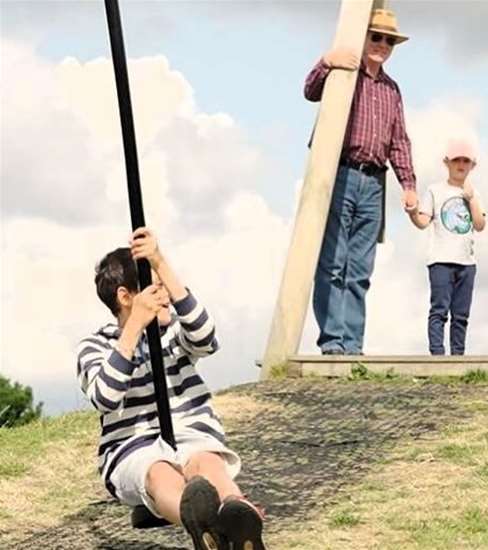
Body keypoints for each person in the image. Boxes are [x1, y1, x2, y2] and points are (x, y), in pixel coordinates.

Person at [76, 228, 264, 550]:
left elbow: (205, 338)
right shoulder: (96, 347)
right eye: (156, 288)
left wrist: (159, 262)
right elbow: (105, 396)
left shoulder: (173, 332)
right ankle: (205, 526)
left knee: (207, 463)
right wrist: (135, 326)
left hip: (190, 433)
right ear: (125, 297)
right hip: (133, 447)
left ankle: (236, 514)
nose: (165, 295)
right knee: (158, 473)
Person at [303, 8, 418, 355]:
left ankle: (352, 346)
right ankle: (333, 343)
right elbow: (309, 89)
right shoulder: (344, 73)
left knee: (360, 270)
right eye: (376, 37)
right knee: (333, 262)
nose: (382, 45)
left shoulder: (391, 89)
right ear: (364, 37)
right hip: (340, 173)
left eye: (388, 40)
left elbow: (399, 140)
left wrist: (409, 184)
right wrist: (327, 60)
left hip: (373, 182)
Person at [407, 139, 486, 355]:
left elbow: (479, 225)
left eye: (465, 161)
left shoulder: (474, 193)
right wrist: (413, 212)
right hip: (440, 260)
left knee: (461, 314)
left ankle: (458, 356)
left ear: (472, 165)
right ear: (447, 163)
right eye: (456, 160)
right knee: (439, 310)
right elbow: (423, 222)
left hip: (467, 263)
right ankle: (437, 355)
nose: (461, 165)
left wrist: (471, 200)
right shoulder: (435, 190)